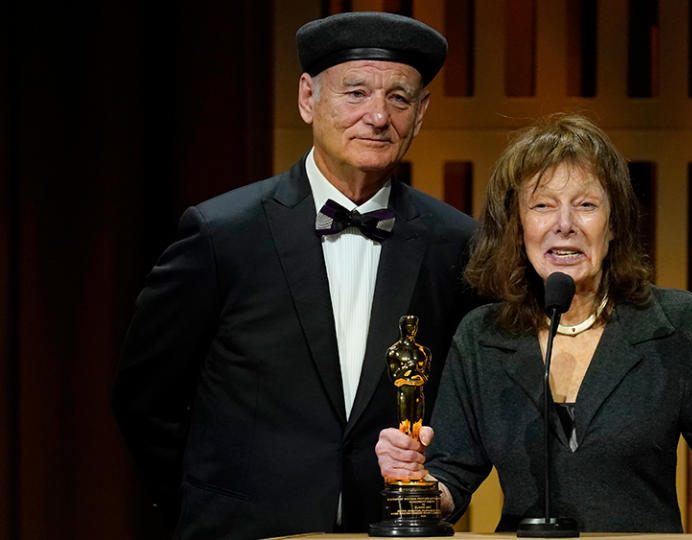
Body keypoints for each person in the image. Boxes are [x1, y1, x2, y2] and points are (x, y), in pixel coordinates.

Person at [112, 12, 478, 539]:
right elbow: (145, 400)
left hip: (388, 531)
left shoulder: (456, 242)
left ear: (420, 115)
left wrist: (438, 489)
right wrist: (204, 509)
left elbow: (475, 407)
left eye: (399, 98)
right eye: (355, 92)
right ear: (308, 97)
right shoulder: (222, 233)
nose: (378, 116)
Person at [376, 113, 692, 532]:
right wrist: (411, 480)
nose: (564, 225)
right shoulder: (484, 335)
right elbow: (450, 484)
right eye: (543, 205)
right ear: (518, 226)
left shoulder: (676, 324)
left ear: (614, 224)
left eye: (585, 205)